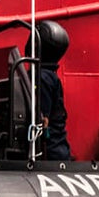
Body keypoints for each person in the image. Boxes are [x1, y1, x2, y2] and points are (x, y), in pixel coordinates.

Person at [33, 20, 72, 161]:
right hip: (57, 149)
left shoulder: (42, 78)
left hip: (51, 154)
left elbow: (43, 121)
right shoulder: (47, 75)